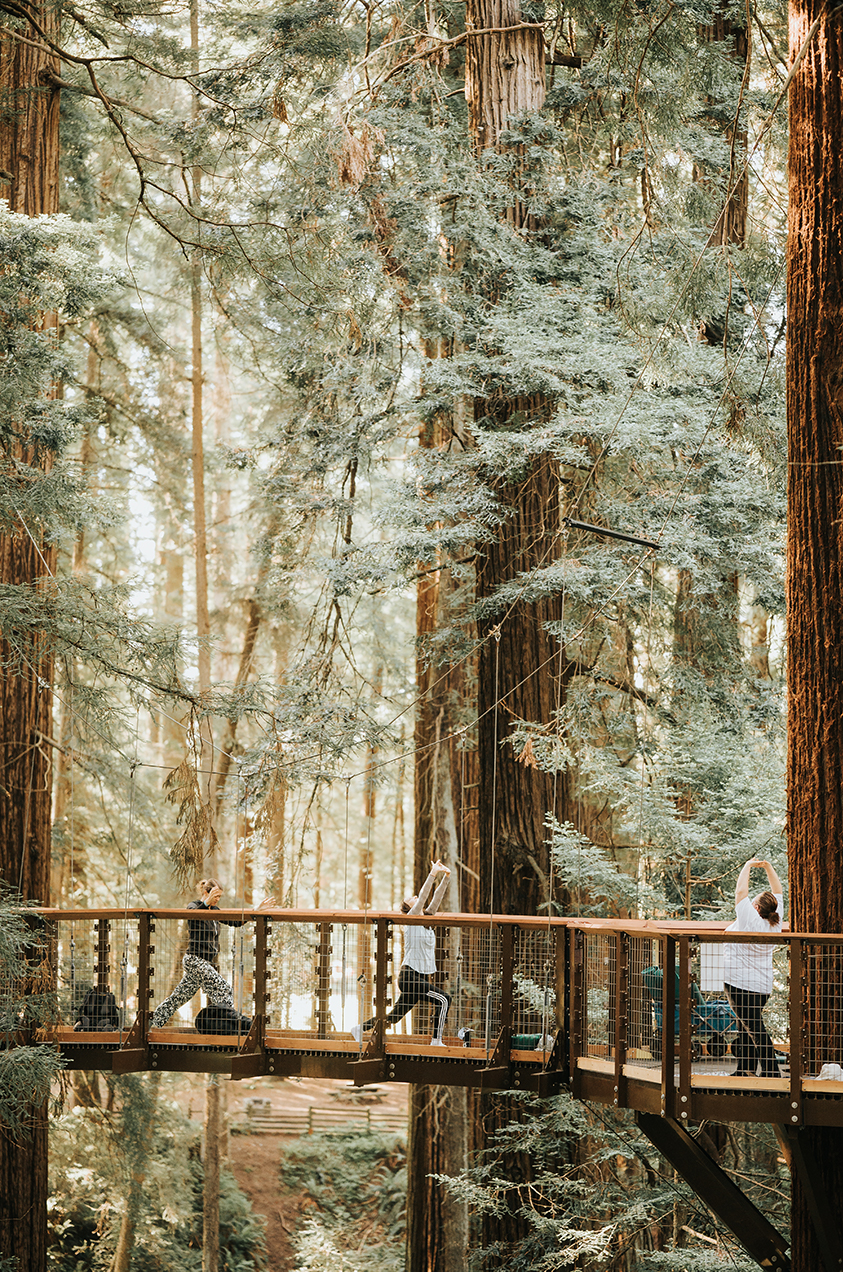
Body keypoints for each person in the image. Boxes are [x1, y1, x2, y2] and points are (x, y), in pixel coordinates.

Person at [352, 859, 451, 1047]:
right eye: (411, 899)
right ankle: (436, 1040)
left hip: (419, 978)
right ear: (409, 908)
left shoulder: (426, 919)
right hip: (410, 976)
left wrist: (446, 876)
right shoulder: (411, 920)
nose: (415, 896)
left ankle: (359, 1028)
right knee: (445, 999)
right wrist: (432, 874)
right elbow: (422, 897)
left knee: (393, 1018)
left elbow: (435, 900)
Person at [150, 878, 274, 1029]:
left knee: (179, 997)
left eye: (219, 897)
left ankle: (153, 1023)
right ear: (205, 892)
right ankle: (226, 1026)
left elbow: (235, 921)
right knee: (224, 989)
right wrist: (206, 903)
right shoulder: (194, 906)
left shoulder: (215, 911)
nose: (217, 899)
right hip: (194, 960)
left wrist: (255, 911)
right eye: (215, 896)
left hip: (204, 963)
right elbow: (193, 916)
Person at [724, 858, 784, 1078]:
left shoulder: (750, 918)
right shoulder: (774, 923)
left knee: (754, 1029)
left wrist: (747, 865)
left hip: (740, 984)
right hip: (761, 986)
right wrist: (768, 867)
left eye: (753, 903)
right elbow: (779, 892)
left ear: (756, 908)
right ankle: (746, 1069)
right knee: (746, 1026)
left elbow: (740, 892)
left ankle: (771, 1073)